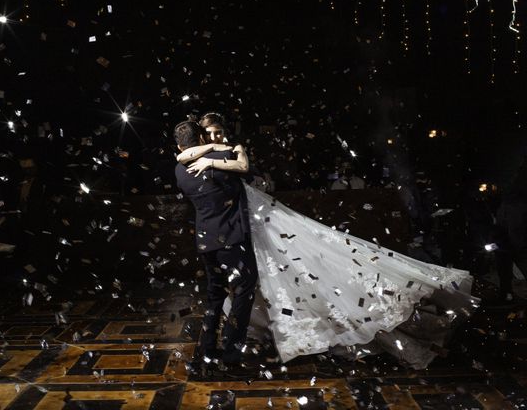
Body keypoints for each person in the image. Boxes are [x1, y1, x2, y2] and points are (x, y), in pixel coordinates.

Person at [178, 114, 481, 370]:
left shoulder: (226, 153)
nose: (214, 137)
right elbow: (183, 155)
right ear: (200, 137)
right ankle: (238, 346)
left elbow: (242, 166)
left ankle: (230, 350)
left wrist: (214, 157)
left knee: (312, 265)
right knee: (257, 287)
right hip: (240, 231)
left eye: (219, 132)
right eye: (208, 134)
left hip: (259, 223)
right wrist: (210, 157)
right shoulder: (198, 158)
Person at [174, 120, 258, 369]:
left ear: (178, 145)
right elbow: (247, 172)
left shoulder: (179, 171)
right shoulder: (221, 162)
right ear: (202, 138)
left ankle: (208, 348)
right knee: (245, 287)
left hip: (205, 241)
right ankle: (231, 352)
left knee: (215, 294)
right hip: (231, 240)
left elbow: (183, 156)